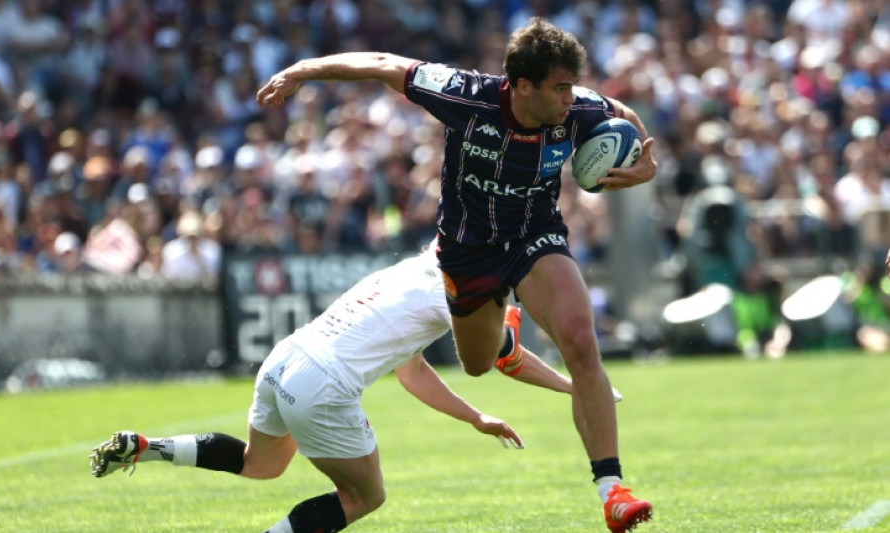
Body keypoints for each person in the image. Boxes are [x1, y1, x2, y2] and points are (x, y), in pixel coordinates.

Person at [255, 17, 655, 532]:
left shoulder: (578, 108)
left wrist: (644, 164)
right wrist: (303, 70)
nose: (568, 98)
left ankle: (612, 491)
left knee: (580, 342)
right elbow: (382, 63)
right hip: (467, 257)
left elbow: (622, 114)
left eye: (571, 86)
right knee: (478, 363)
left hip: (535, 238)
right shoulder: (466, 95)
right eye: (558, 88)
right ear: (522, 85)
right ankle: (504, 338)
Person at [90, 244, 612, 533]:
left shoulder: (406, 271)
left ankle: (148, 447)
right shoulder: (457, 292)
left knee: (260, 464)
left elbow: (412, 372)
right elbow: (507, 355)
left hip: (285, 358)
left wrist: (475, 417)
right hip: (323, 384)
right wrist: (578, 387)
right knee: (366, 497)